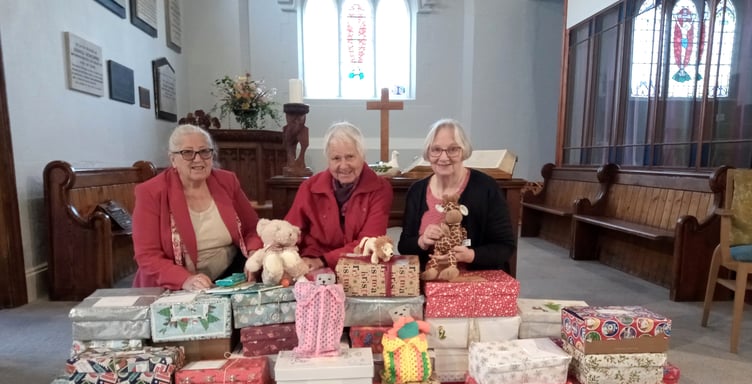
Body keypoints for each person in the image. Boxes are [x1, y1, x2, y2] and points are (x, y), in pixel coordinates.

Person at [132, 124, 262, 291]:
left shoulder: (227, 181)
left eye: (204, 151)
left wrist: (254, 255)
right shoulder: (151, 192)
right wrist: (184, 280)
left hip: (230, 277)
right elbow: (147, 255)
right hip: (174, 285)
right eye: (187, 152)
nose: (198, 159)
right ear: (173, 159)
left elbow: (252, 228)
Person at [398, 118, 516, 272]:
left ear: (464, 151)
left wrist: (471, 255)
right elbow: (404, 246)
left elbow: (505, 246)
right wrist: (422, 241)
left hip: (475, 280)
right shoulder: (417, 191)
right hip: (428, 278)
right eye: (436, 149)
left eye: (453, 149)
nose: (444, 157)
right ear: (428, 153)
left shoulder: (485, 187)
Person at [285, 121, 394, 270]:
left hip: (357, 266)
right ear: (328, 160)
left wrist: (324, 261)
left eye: (350, 157)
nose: (343, 166)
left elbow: (369, 242)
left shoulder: (381, 189)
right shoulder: (309, 187)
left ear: (362, 156)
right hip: (311, 261)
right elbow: (289, 231)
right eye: (336, 158)